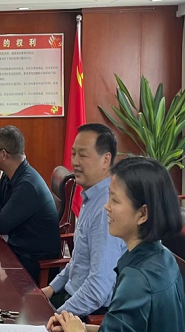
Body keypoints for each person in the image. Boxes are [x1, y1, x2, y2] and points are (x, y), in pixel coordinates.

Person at [48, 156, 185, 332]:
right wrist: (81, 327)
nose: (106, 206)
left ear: (142, 214)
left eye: (114, 200)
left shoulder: (137, 281)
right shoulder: (163, 256)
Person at [41, 124, 127, 319]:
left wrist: (57, 316)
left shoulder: (106, 209)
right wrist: (51, 289)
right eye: (73, 154)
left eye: (83, 155)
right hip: (71, 297)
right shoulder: (92, 197)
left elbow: (98, 290)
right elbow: (78, 260)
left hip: (88, 312)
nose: (75, 162)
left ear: (106, 160)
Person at [0, 126, 60, 284]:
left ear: (3, 154)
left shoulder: (27, 185)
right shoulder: (8, 176)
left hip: (33, 267)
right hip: (16, 255)